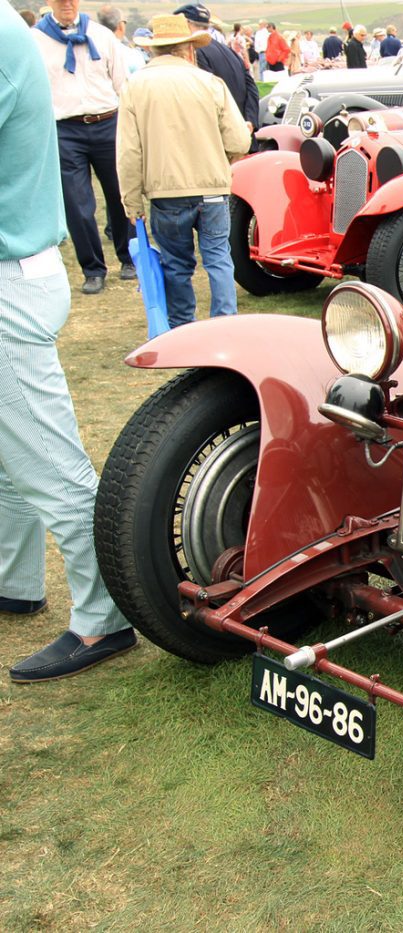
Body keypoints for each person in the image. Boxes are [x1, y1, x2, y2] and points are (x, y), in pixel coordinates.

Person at [3, 2, 136, 684]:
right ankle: (14, 581)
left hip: (10, 276)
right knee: (11, 457)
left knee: (50, 461)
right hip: (17, 267)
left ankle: (102, 618)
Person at [117, 13, 249, 331]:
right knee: (218, 258)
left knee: (176, 264)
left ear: (153, 49)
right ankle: (226, 326)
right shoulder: (210, 83)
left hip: (166, 190)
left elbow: (129, 152)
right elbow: (239, 141)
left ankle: (182, 330)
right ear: (189, 48)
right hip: (213, 187)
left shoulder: (135, 86)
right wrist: (221, 157)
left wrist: (131, 200)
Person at [32, 0, 135, 296]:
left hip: (107, 122)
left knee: (120, 195)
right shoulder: (36, 40)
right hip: (65, 128)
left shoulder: (101, 35)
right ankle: (93, 269)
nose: (67, 3)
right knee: (77, 204)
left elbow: (123, 84)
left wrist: (129, 124)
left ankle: (129, 258)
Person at [176, 3, 258, 129]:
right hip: (241, 129)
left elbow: (206, 95)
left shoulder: (194, 53)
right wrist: (250, 121)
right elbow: (251, 87)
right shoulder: (229, 51)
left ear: (186, 24)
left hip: (218, 131)